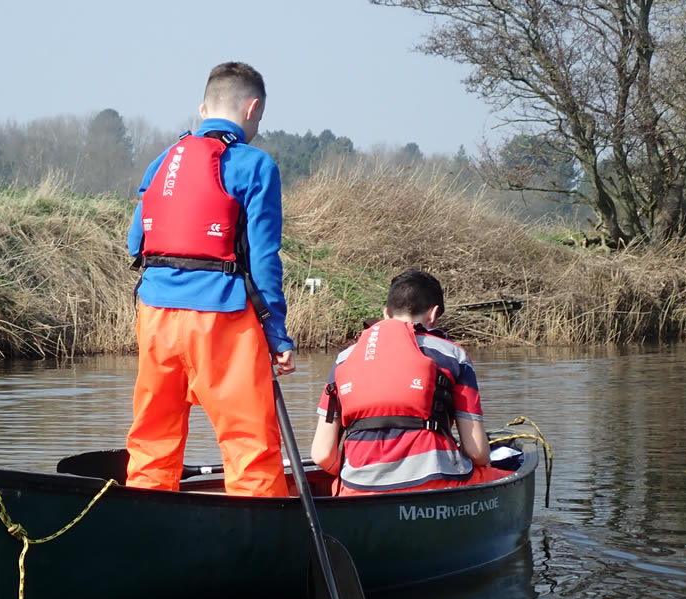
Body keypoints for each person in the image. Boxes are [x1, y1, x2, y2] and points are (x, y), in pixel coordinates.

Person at [124, 61, 294, 497]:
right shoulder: (256, 165)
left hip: (156, 317)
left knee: (152, 438)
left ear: (203, 109)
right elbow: (264, 259)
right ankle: (258, 530)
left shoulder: (162, 162)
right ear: (253, 109)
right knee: (248, 442)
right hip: (222, 317)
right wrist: (277, 334)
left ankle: (145, 514)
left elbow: (134, 242)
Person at [310, 269, 512, 495]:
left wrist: (356, 474)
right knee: (500, 471)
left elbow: (322, 454)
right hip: (434, 484)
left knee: (338, 485)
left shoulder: (344, 359)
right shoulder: (453, 355)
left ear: (386, 313)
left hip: (358, 489)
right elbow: (477, 453)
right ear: (433, 314)